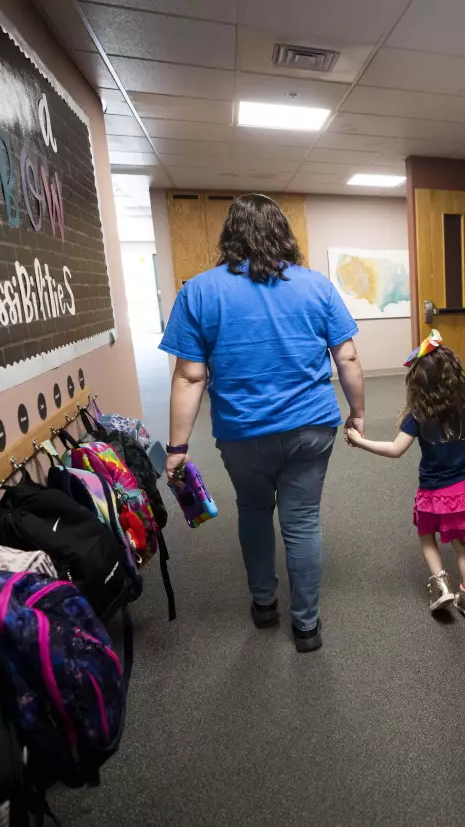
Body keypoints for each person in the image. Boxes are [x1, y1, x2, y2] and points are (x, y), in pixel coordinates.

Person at [159, 193, 366, 654]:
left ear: (229, 235)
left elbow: (190, 376)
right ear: (283, 234)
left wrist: (177, 447)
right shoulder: (317, 286)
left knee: (254, 511)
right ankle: (307, 626)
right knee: (303, 521)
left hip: (242, 433)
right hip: (312, 427)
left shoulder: (199, 291)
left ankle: (264, 605)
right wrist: (358, 412)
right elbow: (347, 356)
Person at [346, 330, 465, 620]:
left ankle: (441, 585)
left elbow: (396, 449)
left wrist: (360, 442)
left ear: (419, 382)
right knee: (463, 545)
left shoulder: (420, 412)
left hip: (434, 491)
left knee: (426, 537)